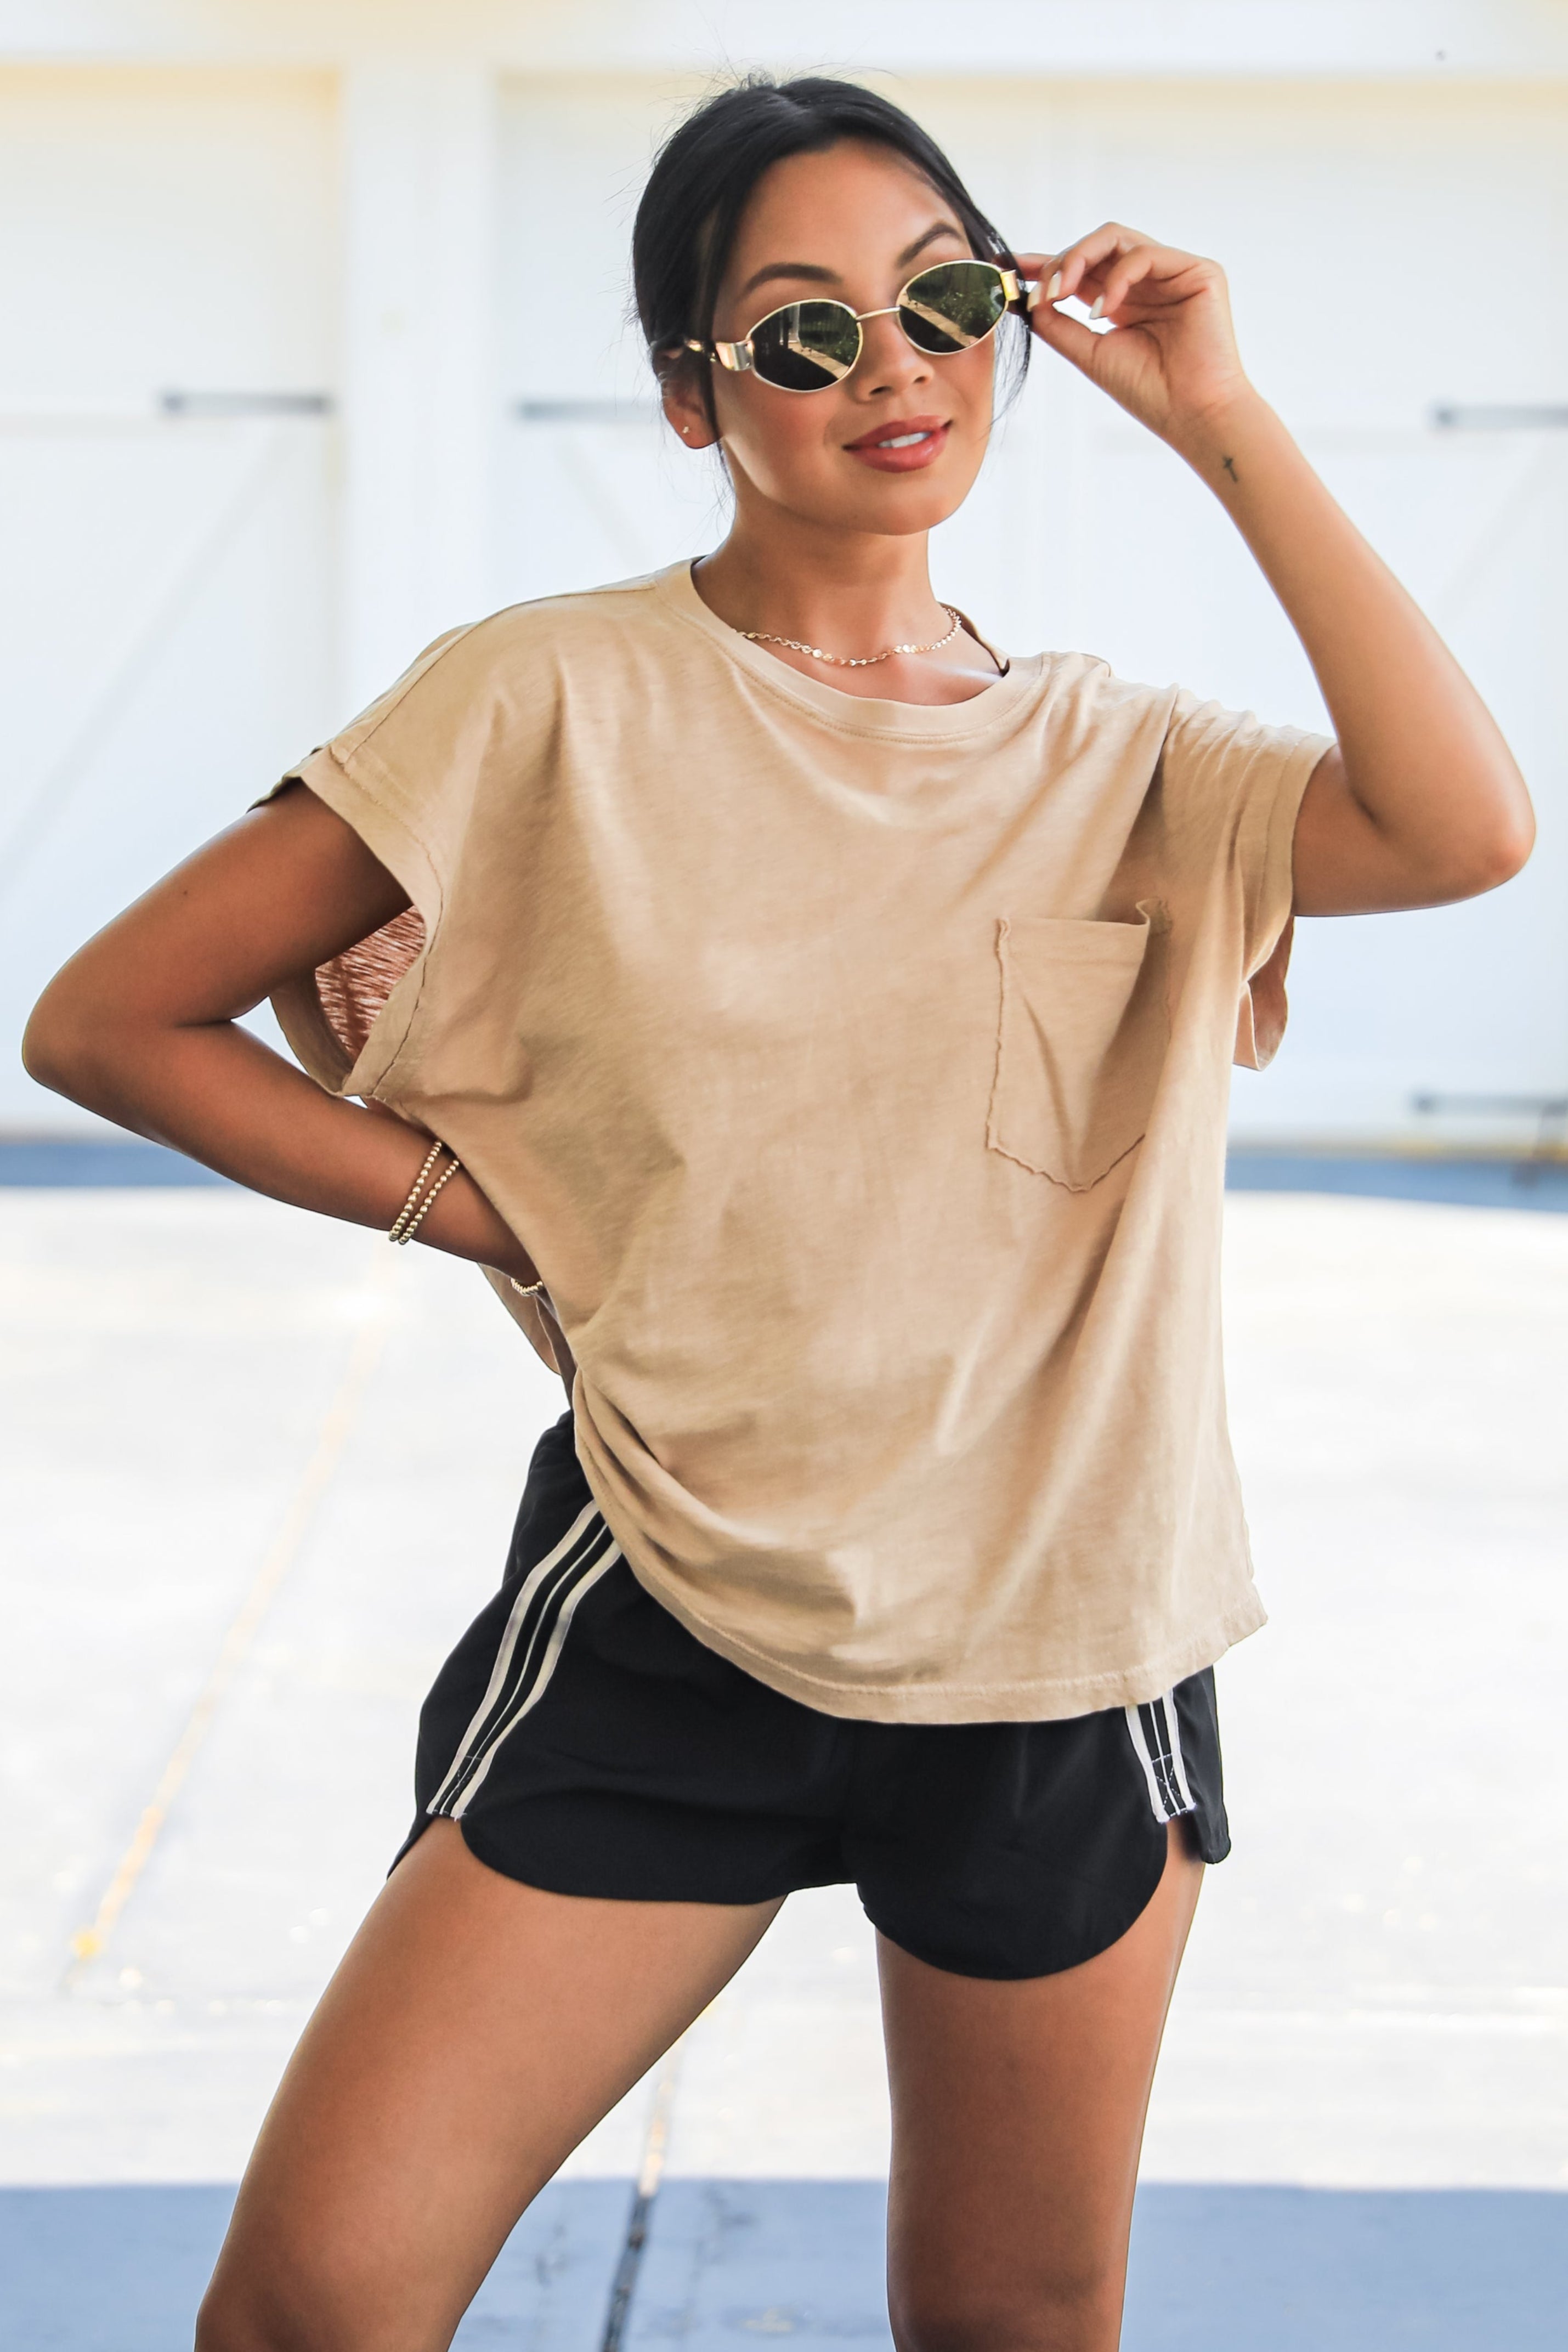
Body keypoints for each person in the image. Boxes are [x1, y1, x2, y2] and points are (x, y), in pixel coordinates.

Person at [24, 72, 1531, 2352]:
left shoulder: (1127, 761)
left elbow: (1463, 826)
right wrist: (479, 1209)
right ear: (690, 395)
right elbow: (113, 1017)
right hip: (677, 1600)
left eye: (942, 301)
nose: (892, 367)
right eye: (805, 329)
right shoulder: (547, 694)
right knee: (316, 2301)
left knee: (1007, 2330)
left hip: (1058, 1646)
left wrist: (1214, 412)